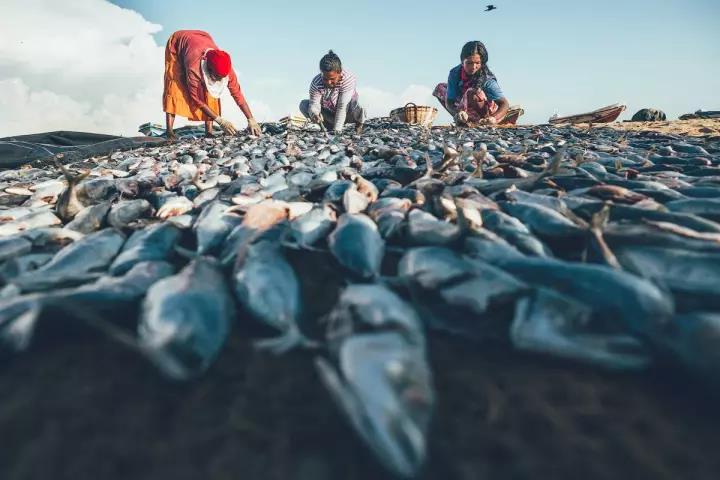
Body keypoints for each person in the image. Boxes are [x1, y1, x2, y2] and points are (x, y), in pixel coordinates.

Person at [162, 30, 262, 140]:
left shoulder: (226, 68)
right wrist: (220, 121)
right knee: (174, 86)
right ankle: (169, 131)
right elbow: (196, 98)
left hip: (203, 37)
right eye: (216, 77)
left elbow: (237, 93)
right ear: (208, 69)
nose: (218, 80)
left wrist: (251, 119)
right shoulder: (193, 67)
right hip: (178, 43)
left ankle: (208, 132)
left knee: (210, 92)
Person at [433, 41, 510, 127]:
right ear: (462, 62)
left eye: (477, 63)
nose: (473, 67)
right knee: (440, 87)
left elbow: (504, 104)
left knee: (472, 92)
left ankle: (481, 121)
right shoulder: (455, 73)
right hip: (464, 107)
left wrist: (493, 118)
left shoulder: (488, 79)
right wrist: (457, 113)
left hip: (486, 111)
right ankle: (462, 120)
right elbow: (449, 102)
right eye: (469, 63)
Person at [299, 51, 365, 134]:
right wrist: (314, 113)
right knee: (304, 105)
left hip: (348, 112)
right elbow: (314, 103)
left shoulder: (348, 79)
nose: (328, 82)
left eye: (332, 79)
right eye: (325, 79)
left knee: (357, 105)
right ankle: (327, 127)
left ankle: (359, 125)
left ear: (339, 72)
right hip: (330, 114)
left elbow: (342, 106)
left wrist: (337, 131)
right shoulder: (316, 82)